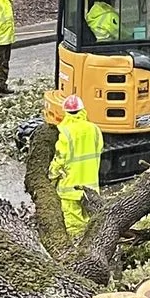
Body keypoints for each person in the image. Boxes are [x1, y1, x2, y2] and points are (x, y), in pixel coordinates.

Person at [48, 94, 104, 237]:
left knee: (73, 225)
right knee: (92, 220)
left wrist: (51, 175)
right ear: (83, 110)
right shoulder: (94, 129)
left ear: (65, 112)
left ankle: (77, 248)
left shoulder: (64, 132)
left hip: (69, 187)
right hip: (90, 186)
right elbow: (99, 150)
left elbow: (60, 158)